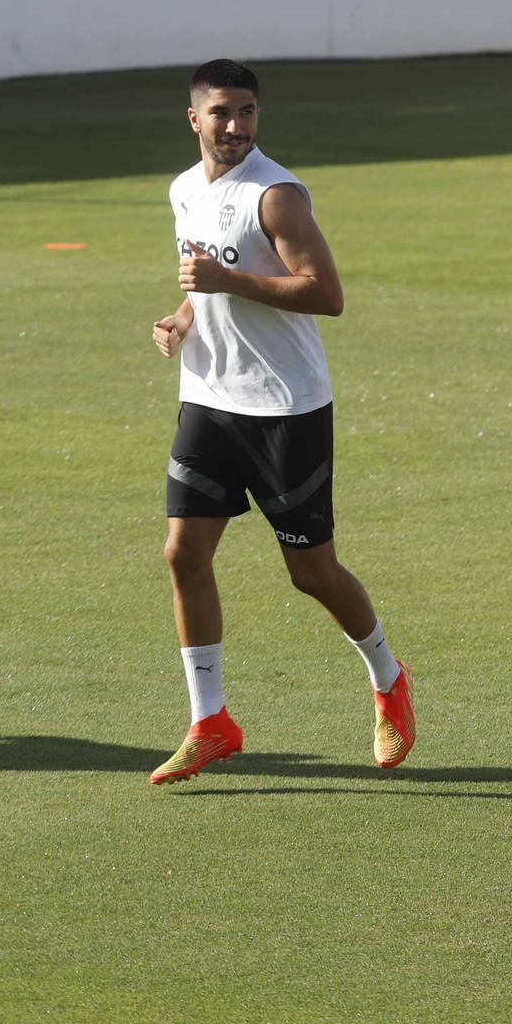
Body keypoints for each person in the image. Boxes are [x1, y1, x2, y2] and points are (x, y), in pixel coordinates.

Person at [148, 59, 413, 784]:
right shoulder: (183, 190)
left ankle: (389, 677)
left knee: (312, 572)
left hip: (285, 410)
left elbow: (326, 294)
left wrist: (226, 281)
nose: (236, 126)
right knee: (182, 554)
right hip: (208, 399)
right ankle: (211, 721)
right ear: (194, 118)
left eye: (248, 112)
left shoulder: (277, 195)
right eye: (222, 113)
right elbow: (205, 284)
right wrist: (180, 317)